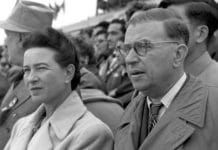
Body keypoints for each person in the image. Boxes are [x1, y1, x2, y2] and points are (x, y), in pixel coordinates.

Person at [114, 8, 218, 150]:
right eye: (127, 49)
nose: (129, 59)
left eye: (143, 46)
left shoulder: (214, 106)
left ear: (178, 54)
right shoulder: (129, 109)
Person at [4, 27, 113, 150]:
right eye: (26, 70)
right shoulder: (21, 125)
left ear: (68, 73)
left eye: (41, 68)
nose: (31, 78)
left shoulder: (92, 133)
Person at [0, 1, 54, 149]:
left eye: (7, 35)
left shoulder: (48, 86)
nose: (6, 42)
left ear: (21, 38)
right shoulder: (20, 77)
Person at [159, 1, 218, 104]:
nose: (161, 30)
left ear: (200, 33)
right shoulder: (155, 81)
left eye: (173, 23)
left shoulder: (214, 86)